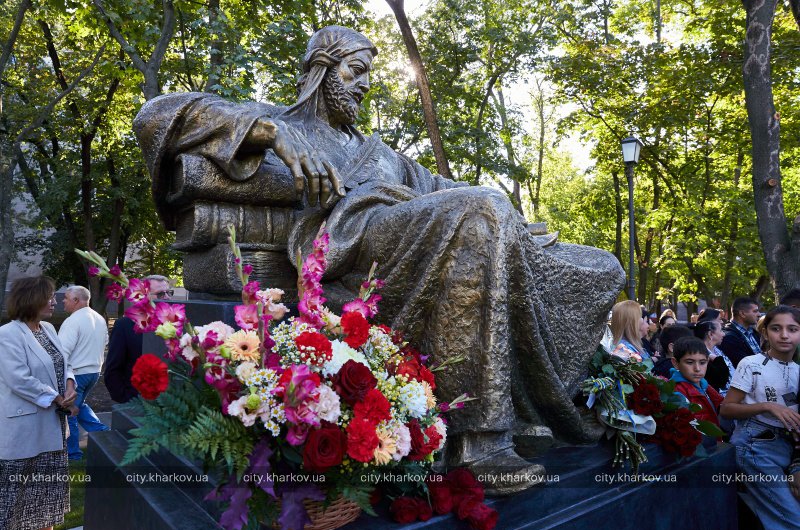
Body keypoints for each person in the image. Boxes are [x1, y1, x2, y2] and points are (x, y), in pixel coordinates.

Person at [133, 25, 625, 493]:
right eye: (356, 71)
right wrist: (270, 134)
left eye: (368, 73)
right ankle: (479, 444)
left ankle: (538, 408)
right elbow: (155, 114)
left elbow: (442, 189)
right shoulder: (278, 123)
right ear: (321, 71)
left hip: (408, 245)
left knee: (598, 265)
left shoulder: (380, 153)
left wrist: (515, 222)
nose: (366, 85)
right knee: (482, 209)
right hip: (348, 247)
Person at [0, 276, 77, 530]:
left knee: (47, 502)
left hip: (53, 428)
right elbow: (18, 378)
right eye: (50, 296)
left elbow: (66, 363)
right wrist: (56, 397)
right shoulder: (8, 334)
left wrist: (69, 385)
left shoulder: (49, 329)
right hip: (25, 430)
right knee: (13, 503)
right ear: (32, 298)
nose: (54, 301)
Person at [720, 305, 800, 530]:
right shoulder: (751, 364)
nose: (784, 335)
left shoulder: (797, 370)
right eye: (776, 328)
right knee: (793, 521)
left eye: (792, 329)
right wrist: (767, 406)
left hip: (785, 448)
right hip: (754, 447)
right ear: (765, 332)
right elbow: (727, 409)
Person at [58, 285, 110, 461]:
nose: (62, 301)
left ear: (76, 300)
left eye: (65, 298)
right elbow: (105, 343)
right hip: (94, 372)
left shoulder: (73, 321)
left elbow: (62, 353)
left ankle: (73, 454)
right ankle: (104, 433)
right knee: (80, 406)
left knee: (69, 412)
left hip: (77, 374)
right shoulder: (99, 318)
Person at [104, 275, 173, 403]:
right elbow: (113, 370)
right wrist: (127, 399)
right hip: (137, 402)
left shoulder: (174, 323)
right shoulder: (124, 326)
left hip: (172, 403)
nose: (167, 297)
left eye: (169, 292)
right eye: (160, 294)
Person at [670, 337, 723, 430]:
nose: (697, 368)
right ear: (675, 363)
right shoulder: (676, 392)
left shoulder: (704, 384)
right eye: (690, 362)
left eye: (702, 362)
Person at [693, 320, 735, 396]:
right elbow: (720, 381)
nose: (724, 334)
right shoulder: (701, 356)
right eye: (721, 330)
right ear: (710, 334)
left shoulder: (717, 350)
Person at [720, 297, 761, 368]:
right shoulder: (728, 337)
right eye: (755, 311)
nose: (759, 314)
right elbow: (745, 366)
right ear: (742, 313)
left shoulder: (753, 333)